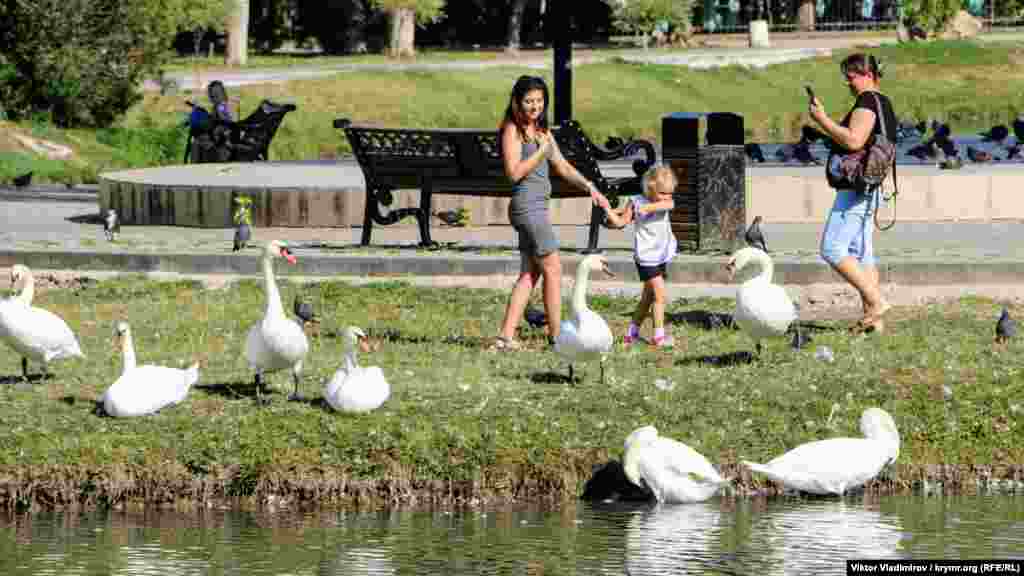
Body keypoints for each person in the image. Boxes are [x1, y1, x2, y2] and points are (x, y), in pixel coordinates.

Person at [494, 75, 610, 350]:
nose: (534, 106)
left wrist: (589, 186)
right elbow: (513, 173)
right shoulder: (513, 129)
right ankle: (557, 337)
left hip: (536, 209)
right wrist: (539, 152)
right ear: (515, 102)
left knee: (529, 274)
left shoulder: (541, 131)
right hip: (527, 208)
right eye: (528, 101)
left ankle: (506, 337)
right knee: (553, 269)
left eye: (539, 101)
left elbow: (563, 166)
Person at [809, 52, 896, 333]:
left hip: (856, 188)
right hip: (871, 185)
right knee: (862, 254)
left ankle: (876, 301)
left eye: (852, 76)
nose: (848, 82)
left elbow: (854, 139)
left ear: (868, 74)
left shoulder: (867, 102)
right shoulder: (884, 104)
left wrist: (822, 119)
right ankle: (874, 321)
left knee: (832, 248)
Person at [600, 165, 678, 348]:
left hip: (661, 256)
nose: (667, 196)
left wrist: (648, 207)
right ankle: (659, 337)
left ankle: (631, 335)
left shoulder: (662, 202)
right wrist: (608, 209)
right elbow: (620, 222)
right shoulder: (634, 202)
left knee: (647, 299)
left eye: (669, 192)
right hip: (646, 259)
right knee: (660, 296)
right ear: (650, 188)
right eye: (662, 192)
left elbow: (669, 205)